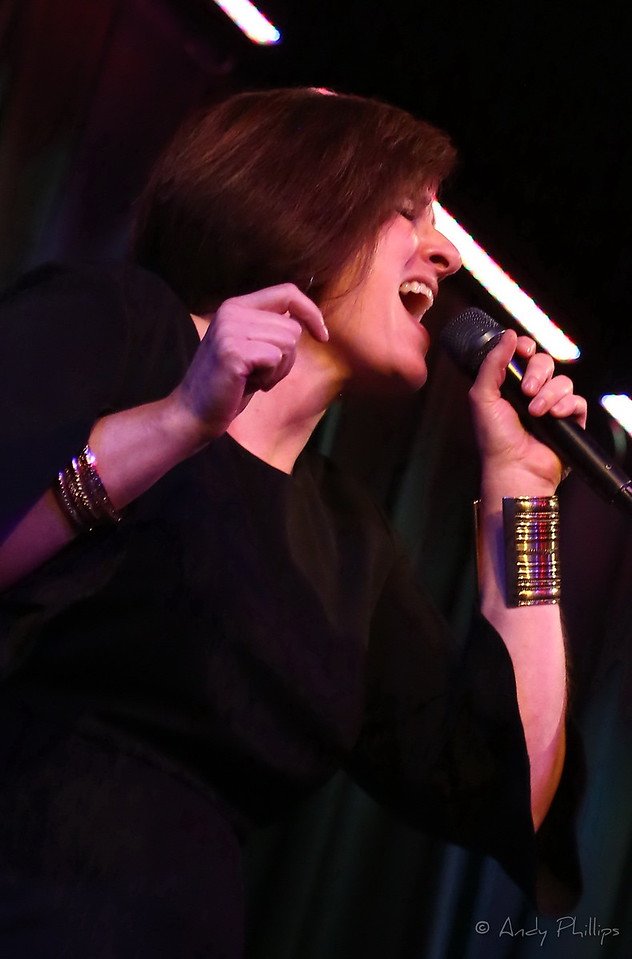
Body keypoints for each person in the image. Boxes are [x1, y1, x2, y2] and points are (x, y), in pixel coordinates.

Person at [0, 87, 585, 957]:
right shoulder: (115, 324)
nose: (445, 251)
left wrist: (523, 493)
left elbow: (508, 788)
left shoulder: (349, 542)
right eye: (408, 211)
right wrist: (179, 421)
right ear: (305, 197)